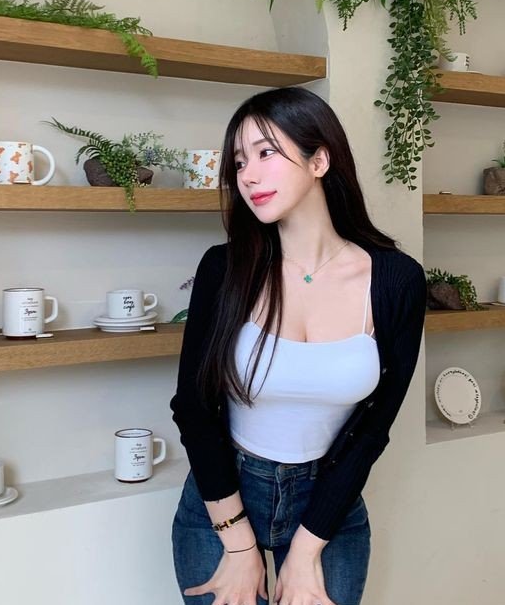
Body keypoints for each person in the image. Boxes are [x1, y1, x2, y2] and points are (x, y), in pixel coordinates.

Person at [169, 86, 427, 605]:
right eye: (239, 161)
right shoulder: (224, 268)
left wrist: (308, 549)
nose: (247, 175)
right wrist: (239, 545)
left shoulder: (396, 280)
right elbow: (193, 408)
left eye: (265, 152)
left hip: (328, 508)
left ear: (319, 160)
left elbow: (373, 429)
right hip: (221, 501)